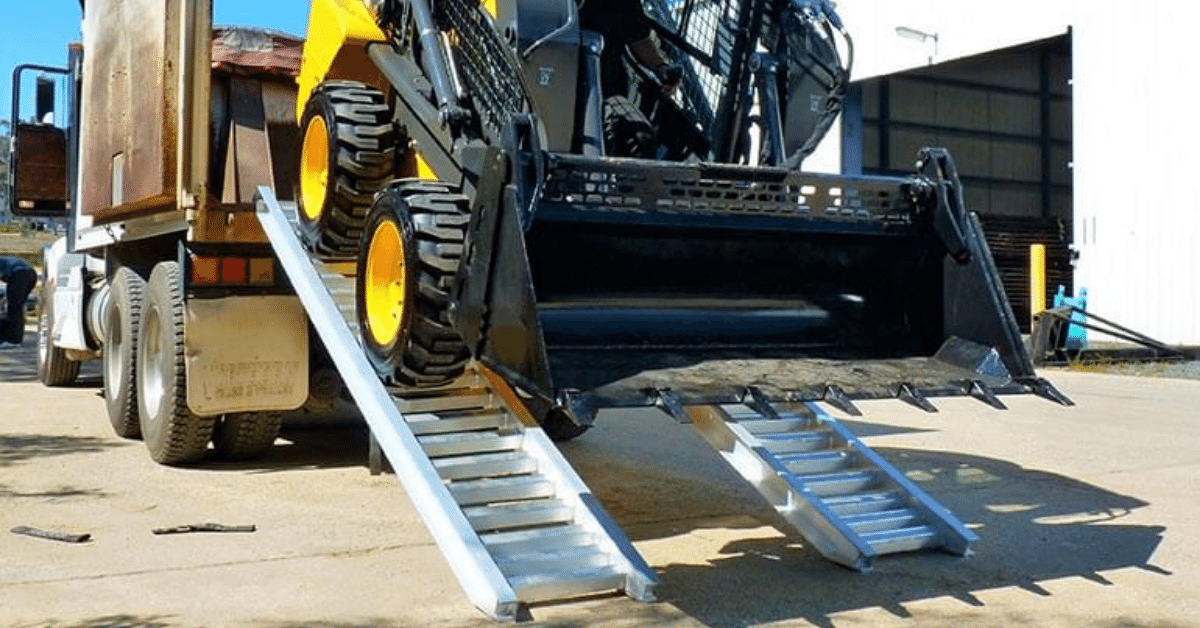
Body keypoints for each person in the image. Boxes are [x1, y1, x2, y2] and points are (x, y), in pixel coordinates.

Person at [578, 0, 684, 157]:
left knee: (639, 139)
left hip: (603, 92)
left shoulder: (622, 5)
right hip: (554, 84)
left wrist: (662, 69)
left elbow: (637, 35)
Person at [0, 256, 38, 346]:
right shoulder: (5, 261)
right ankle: (13, 337)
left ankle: (14, 340)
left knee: (14, 309)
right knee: (16, 307)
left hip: (19, 274)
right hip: (31, 274)